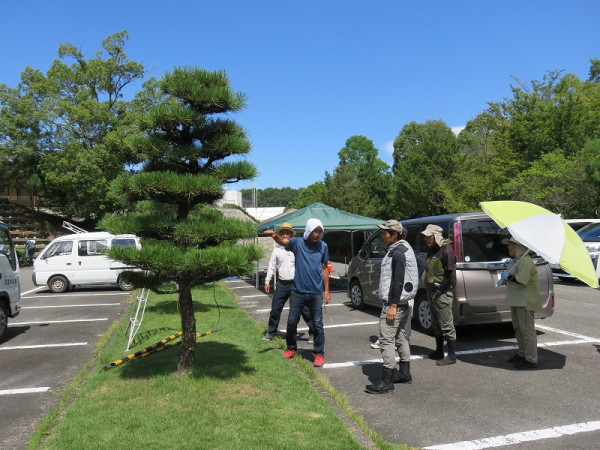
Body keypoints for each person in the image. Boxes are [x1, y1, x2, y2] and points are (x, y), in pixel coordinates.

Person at [265, 218, 331, 367]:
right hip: (298, 291)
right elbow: (284, 242)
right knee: (292, 321)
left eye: (320, 231)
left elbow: (325, 268)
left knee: (317, 323)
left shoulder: (323, 246)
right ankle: (291, 348)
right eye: (315, 231)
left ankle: (319, 353)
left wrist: (326, 290)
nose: (317, 234)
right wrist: (274, 236)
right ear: (309, 230)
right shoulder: (298, 243)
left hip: (315, 292)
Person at [366, 220, 420, 394]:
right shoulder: (405, 248)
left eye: (385, 233)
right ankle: (404, 372)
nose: (383, 236)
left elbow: (398, 280)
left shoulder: (397, 253)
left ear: (394, 235)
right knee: (402, 337)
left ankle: (387, 381)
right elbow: (419, 266)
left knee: (387, 340)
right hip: (404, 303)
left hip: (395, 304)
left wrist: (393, 305)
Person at [263, 222, 314, 342]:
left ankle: (313, 332)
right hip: (282, 283)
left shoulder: (297, 249)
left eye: (287, 233)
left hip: (296, 283)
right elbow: (271, 266)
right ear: (280, 235)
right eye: (283, 233)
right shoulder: (277, 250)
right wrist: (267, 281)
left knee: (304, 309)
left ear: (291, 235)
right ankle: (272, 332)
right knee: (275, 308)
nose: (285, 235)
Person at [499, 237, 542, 369]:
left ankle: (531, 359)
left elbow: (522, 280)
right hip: (516, 300)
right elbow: (514, 278)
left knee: (527, 330)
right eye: (509, 245)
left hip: (524, 301)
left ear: (520, 247)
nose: (509, 248)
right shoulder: (517, 261)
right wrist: (505, 279)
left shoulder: (525, 261)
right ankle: (522, 353)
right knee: (518, 329)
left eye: (512, 245)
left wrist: (508, 277)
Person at [422, 224, 457, 366]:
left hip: (442, 293)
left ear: (436, 236)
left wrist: (440, 290)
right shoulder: (433, 249)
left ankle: (452, 356)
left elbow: (449, 274)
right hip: (432, 291)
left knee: (446, 324)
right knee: (436, 323)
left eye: (428, 236)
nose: (426, 239)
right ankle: (439, 351)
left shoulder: (446, 250)